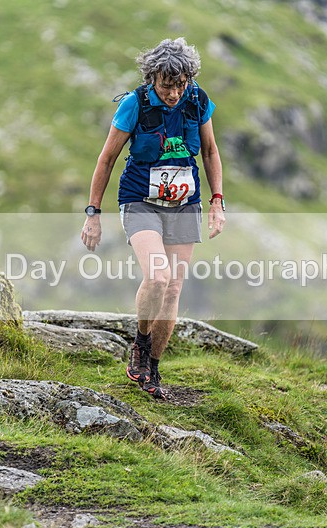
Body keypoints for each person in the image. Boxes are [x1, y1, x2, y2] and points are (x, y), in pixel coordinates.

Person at [81, 38, 226, 400]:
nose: (174, 93)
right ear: (152, 79)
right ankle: (141, 343)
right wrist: (93, 214)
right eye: (166, 86)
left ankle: (154, 366)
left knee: (174, 288)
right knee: (158, 276)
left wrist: (217, 201)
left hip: (184, 203)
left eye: (180, 85)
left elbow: (210, 152)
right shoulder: (134, 104)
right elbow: (106, 159)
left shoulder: (198, 100)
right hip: (140, 201)